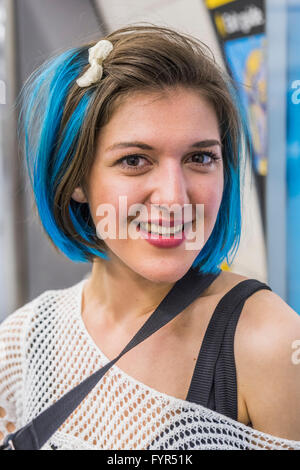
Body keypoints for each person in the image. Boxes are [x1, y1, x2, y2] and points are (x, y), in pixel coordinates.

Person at [0, 24, 299, 450]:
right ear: (76, 178)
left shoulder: (273, 345)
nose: (175, 198)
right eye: (135, 160)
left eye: (200, 157)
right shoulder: (24, 342)